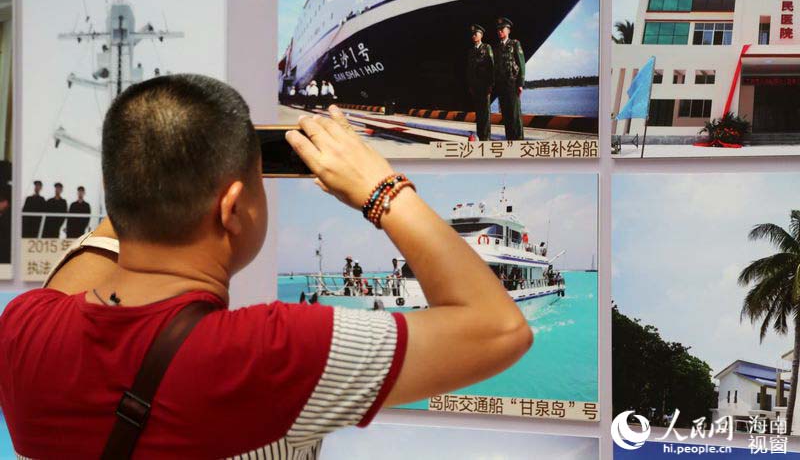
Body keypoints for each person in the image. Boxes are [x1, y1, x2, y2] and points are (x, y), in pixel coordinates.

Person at [0, 75, 531, 458]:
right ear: (232, 209)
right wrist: (380, 188)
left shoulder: (23, 327)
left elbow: (107, 235)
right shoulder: (270, 353)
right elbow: (501, 328)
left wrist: (171, 158)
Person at [492, 17, 525, 141]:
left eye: (502, 29)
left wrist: (520, 84)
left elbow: (521, 64)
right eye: (498, 29)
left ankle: (519, 141)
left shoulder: (515, 44)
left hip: (512, 84)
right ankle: (510, 140)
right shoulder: (496, 48)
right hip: (501, 86)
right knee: (505, 115)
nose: (500, 31)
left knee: (514, 115)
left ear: (508, 30)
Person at [465, 23, 494, 141]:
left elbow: (491, 66)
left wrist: (490, 84)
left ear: (481, 35)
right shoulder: (471, 51)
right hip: (475, 86)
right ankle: (480, 136)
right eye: (472, 34)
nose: (473, 36)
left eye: (475, 34)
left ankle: (486, 138)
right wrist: (470, 85)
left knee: (485, 113)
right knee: (479, 113)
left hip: (484, 85)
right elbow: (469, 70)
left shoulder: (487, 48)